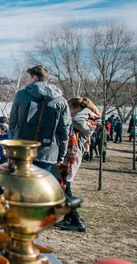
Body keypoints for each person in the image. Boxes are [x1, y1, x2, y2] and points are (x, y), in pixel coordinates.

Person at [9, 65, 71, 172]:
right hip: (47, 152)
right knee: (40, 185)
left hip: (22, 148)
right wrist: (62, 153)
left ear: (35, 78)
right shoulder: (61, 101)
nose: (28, 81)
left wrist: (14, 142)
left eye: (29, 78)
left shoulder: (21, 95)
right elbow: (64, 129)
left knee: (21, 184)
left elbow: (13, 122)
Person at [56, 97, 101, 232]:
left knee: (62, 189)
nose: (69, 113)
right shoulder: (86, 120)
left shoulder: (84, 121)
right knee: (66, 188)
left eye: (71, 109)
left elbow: (75, 120)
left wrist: (86, 111)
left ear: (78, 109)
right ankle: (69, 218)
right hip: (70, 159)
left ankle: (76, 220)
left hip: (71, 159)